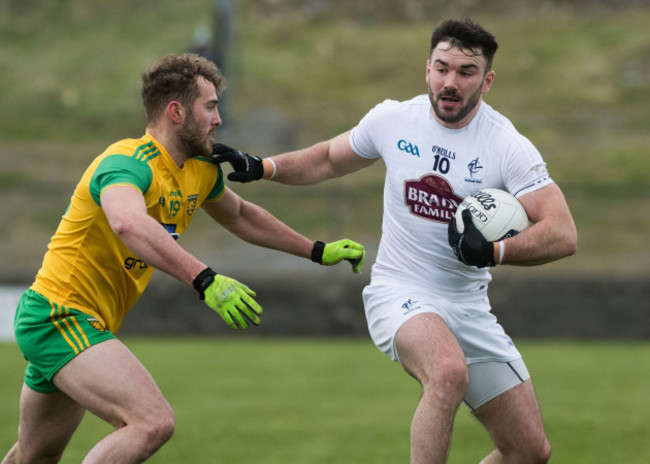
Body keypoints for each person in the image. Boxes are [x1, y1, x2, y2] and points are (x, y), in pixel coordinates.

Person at [213, 19, 578, 464]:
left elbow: (562, 233)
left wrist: (496, 251)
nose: (451, 82)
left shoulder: (507, 146)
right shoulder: (392, 119)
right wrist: (263, 166)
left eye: (466, 72)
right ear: (427, 69)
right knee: (446, 373)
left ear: (487, 81)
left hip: (468, 306)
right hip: (399, 292)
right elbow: (328, 159)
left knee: (528, 451)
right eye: (442, 68)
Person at [2, 53, 365, 464]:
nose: (218, 119)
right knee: (152, 422)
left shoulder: (199, 170)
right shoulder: (125, 162)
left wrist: (316, 250)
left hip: (82, 322)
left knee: (33, 457)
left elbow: (242, 216)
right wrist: (205, 279)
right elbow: (127, 223)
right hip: (59, 316)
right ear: (176, 111)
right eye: (210, 107)